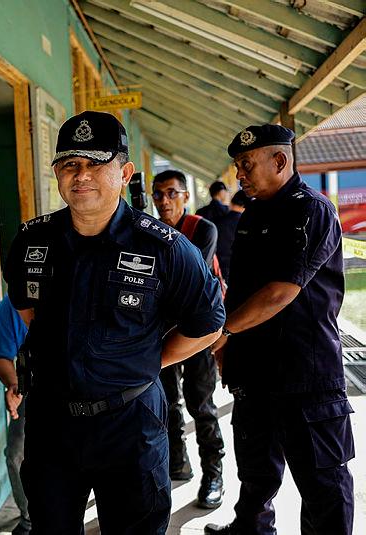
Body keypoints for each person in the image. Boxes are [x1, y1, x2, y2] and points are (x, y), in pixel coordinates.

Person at [3, 111, 225, 534]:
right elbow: (28, 308)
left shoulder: (164, 247)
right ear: (57, 173)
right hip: (53, 426)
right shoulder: (33, 240)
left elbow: (208, 323)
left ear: (124, 172)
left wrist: (148, 360)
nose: (80, 175)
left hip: (130, 426)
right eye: (70, 164)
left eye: (95, 163)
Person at [205, 125, 355, 535]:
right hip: (255, 372)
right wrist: (228, 350)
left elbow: (279, 293)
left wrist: (223, 333)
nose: (240, 175)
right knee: (256, 474)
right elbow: (242, 287)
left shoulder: (312, 210)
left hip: (305, 373)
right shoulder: (253, 215)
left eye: (247, 165)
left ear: (280, 161)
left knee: (322, 482)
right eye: (238, 166)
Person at [152, 170, 225, 509]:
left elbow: (188, 278)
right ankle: (177, 464)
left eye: (171, 193)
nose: (164, 201)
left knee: (202, 404)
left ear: (184, 196)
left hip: (197, 334)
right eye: (158, 195)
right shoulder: (148, 233)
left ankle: (214, 473)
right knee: (166, 405)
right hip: (163, 334)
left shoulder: (202, 228)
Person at [0, 294, 30, 535]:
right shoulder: (12, 305)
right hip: (32, 388)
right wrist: (14, 386)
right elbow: (2, 356)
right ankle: (29, 518)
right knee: (16, 453)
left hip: (88, 388)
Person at [214, 190, 248, 281]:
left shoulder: (217, 222)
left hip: (220, 271)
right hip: (242, 272)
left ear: (232, 202)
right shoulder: (248, 224)